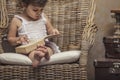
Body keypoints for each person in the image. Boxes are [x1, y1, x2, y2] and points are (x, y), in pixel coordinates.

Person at [7, 0, 60, 67]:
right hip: (28, 48)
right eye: (35, 10)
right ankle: (37, 57)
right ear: (24, 5)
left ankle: (45, 54)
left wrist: (53, 31)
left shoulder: (43, 17)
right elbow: (10, 39)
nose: (39, 13)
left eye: (41, 10)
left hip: (44, 45)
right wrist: (19, 39)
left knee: (49, 49)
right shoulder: (17, 20)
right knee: (32, 53)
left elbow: (50, 30)